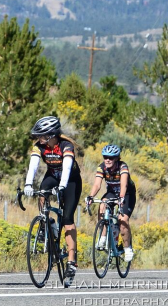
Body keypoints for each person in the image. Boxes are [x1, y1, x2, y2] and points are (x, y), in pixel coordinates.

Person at [24, 115, 82, 280]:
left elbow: (67, 167)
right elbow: (33, 166)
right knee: (42, 192)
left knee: (68, 219)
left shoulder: (66, 145)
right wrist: (28, 184)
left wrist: (62, 186)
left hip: (70, 180)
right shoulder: (39, 147)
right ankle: (46, 222)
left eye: (41, 136)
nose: (38, 139)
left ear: (50, 135)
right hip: (52, 176)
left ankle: (71, 261)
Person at [85, 144, 135, 262]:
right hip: (112, 192)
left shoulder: (122, 167)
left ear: (117, 158)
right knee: (102, 205)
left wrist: (121, 198)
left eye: (111, 158)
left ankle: (127, 248)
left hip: (127, 194)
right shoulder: (101, 167)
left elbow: (124, 185)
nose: (107, 160)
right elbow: (97, 185)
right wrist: (91, 196)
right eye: (105, 157)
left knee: (123, 220)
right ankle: (103, 237)